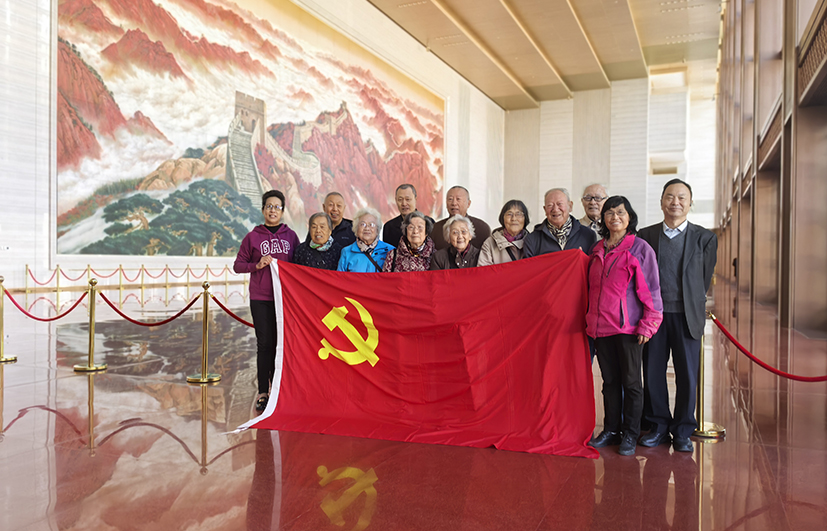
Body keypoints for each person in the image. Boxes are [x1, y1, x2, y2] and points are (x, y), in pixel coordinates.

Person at [637, 179, 718, 453]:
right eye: (670, 197)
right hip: (654, 317)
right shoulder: (646, 236)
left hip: (686, 316)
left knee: (687, 375)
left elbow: (703, 279)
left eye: (682, 197)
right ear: (661, 202)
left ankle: (683, 429)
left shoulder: (705, 238)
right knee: (653, 372)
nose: (676, 202)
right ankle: (658, 426)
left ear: (690, 203)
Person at [586, 196, 663, 456]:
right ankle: (611, 429)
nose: (614, 217)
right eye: (609, 213)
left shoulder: (640, 249)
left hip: (628, 329)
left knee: (631, 383)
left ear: (629, 217)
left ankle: (630, 433)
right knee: (609, 382)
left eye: (620, 212)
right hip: (601, 328)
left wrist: (648, 324)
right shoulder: (597, 249)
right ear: (603, 219)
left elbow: (651, 290)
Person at [233, 190, 300, 412]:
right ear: (263, 210)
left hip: (285, 299)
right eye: (269, 206)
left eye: (277, 207)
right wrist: (257, 265)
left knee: (283, 344)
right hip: (261, 298)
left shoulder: (291, 237)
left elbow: (299, 265)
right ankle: (263, 391)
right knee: (265, 345)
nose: (273, 210)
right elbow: (238, 265)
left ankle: (282, 390)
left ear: (282, 211)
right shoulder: (252, 237)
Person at [523, 188, 597, 257]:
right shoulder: (532, 239)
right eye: (550, 205)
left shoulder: (588, 235)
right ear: (545, 209)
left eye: (560, 204)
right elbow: (528, 266)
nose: (555, 209)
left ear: (570, 206)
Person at [431, 186, 491, 250]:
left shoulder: (482, 228)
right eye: (450, 199)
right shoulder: (435, 228)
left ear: (468, 204)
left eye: (458, 199)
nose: (454, 203)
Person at [337, 207, 395, 272]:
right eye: (363, 224)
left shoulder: (390, 251)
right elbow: (340, 277)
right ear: (356, 228)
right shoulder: (346, 252)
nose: (367, 228)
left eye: (371, 224)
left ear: (377, 229)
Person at [479, 200, 530, 266]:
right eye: (509, 214)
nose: (514, 219)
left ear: (525, 218)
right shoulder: (490, 243)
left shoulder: (533, 242)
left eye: (518, 214)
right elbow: (484, 271)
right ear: (503, 218)